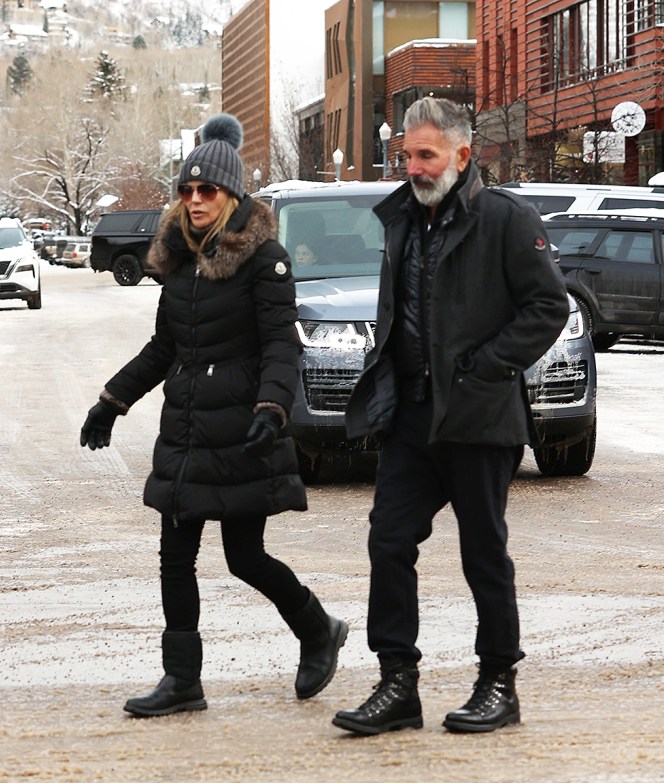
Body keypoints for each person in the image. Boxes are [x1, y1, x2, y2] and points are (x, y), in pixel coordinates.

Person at [80, 113, 348, 718]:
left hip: (241, 430)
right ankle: (183, 681)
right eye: (187, 191)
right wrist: (112, 401)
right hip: (187, 429)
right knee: (174, 556)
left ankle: (317, 630)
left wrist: (273, 408)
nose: (195, 201)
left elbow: (283, 344)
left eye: (208, 191)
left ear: (231, 196)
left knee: (243, 556)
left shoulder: (264, 259)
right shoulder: (175, 258)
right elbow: (164, 347)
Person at [332, 97, 569, 736]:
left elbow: (548, 307)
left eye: (425, 154)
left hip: (477, 416)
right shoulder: (400, 221)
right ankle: (397, 684)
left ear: (463, 156)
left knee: (482, 553)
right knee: (389, 540)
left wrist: (484, 368)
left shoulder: (507, 221)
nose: (412, 166)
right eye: (406, 154)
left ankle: (499, 683)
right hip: (412, 416)